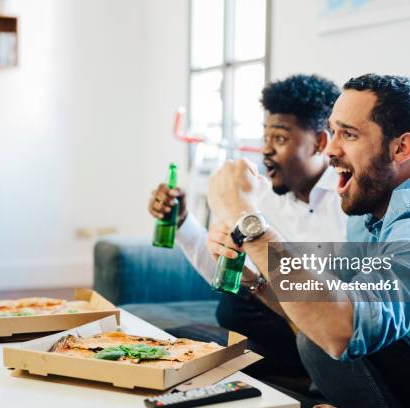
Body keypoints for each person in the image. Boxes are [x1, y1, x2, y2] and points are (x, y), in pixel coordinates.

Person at [205, 73, 410, 407]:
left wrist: (248, 221)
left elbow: (343, 328)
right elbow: (322, 306)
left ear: (401, 148)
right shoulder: (371, 209)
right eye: (334, 131)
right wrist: (254, 281)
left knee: (329, 335)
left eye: (349, 135)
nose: (331, 150)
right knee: (315, 337)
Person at [147, 74, 346, 389]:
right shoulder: (264, 195)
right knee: (186, 336)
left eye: (279, 139)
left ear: (320, 143)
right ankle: (287, 375)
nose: (265, 151)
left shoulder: (348, 200)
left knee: (234, 313)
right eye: (265, 138)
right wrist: (183, 220)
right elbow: (227, 271)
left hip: (327, 335)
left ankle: (302, 377)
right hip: (283, 331)